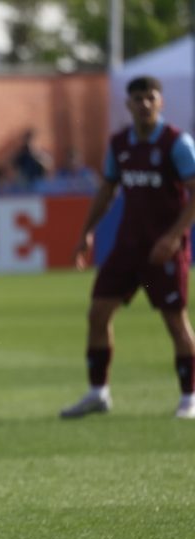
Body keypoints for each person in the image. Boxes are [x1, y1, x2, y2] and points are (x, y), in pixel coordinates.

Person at [61, 76, 195, 419]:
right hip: (128, 247)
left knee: (175, 322)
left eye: (150, 97)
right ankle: (98, 393)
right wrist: (85, 233)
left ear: (160, 102)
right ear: (129, 104)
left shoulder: (177, 143)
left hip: (163, 250)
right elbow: (107, 191)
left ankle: (189, 398)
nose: (144, 104)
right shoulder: (120, 144)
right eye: (138, 98)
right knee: (97, 314)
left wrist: (174, 236)